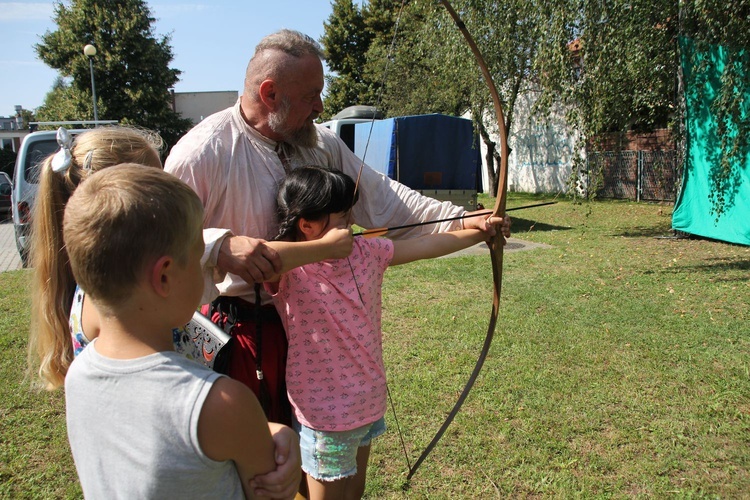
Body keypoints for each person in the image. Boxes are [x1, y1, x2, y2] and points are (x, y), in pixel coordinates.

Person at [165, 29, 510, 427]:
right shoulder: (202, 152)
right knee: (256, 460)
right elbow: (160, 243)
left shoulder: (320, 143)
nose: (320, 105)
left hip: (316, 333)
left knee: (310, 452)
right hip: (244, 331)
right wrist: (218, 247)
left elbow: (384, 200)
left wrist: (463, 219)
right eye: (311, 95)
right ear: (270, 94)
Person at [27, 126, 305, 499]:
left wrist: (266, 430)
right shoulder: (224, 402)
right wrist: (269, 432)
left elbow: (162, 433)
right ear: (163, 275)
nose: (209, 268)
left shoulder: (79, 374)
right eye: (198, 255)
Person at [263, 166, 503, 499]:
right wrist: (325, 248)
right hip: (325, 414)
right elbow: (261, 256)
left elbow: (428, 245)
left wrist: (479, 230)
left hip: (366, 401)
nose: (351, 225)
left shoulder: (368, 253)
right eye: (343, 217)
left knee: (354, 492)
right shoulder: (294, 270)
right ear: (307, 225)